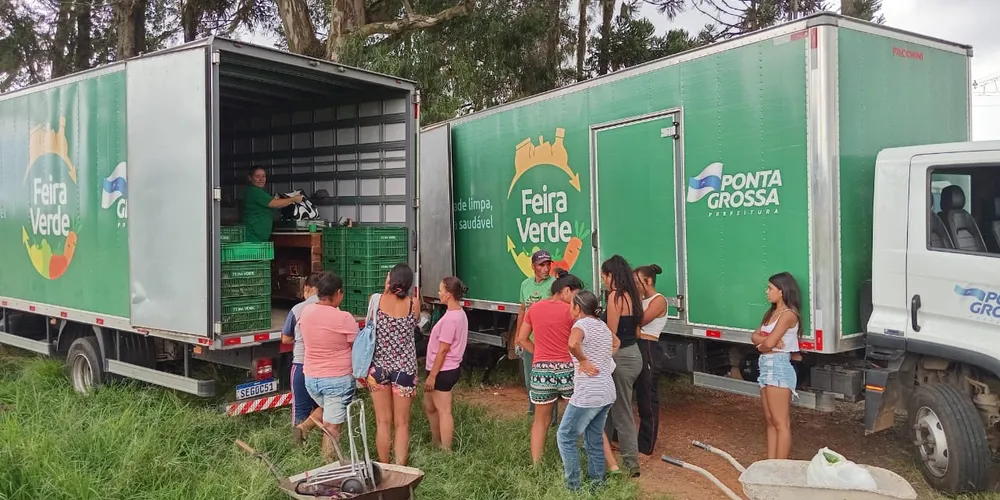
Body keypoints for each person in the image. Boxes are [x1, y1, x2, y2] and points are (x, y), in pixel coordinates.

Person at [515, 269, 584, 465]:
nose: (576, 300)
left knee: (540, 421)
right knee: (576, 418)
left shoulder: (535, 308)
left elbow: (521, 338)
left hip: (541, 371)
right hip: (567, 370)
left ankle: (536, 464)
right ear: (566, 291)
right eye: (575, 295)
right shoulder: (572, 312)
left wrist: (539, 354)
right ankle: (572, 461)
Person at [557, 290, 619, 491]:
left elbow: (572, 343)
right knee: (593, 439)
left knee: (565, 436)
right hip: (606, 390)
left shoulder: (581, 324)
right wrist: (601, 358)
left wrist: (584, 360)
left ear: (578, 308)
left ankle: (574, 487)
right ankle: (597, 485)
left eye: (571, 305)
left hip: (588, 393)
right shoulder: (602, 326)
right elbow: (617, 343)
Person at [363, 263, 421, 465]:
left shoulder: (375, 300)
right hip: (405, 370)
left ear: (391, 280)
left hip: (378, 368)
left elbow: (369, 323)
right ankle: (400, 468)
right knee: (402, 423)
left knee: (382, 422)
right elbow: (415, 324)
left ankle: (384, 466)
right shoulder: (414, 304)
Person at [298, 272, 359, 461]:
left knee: (329, 408)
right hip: (337, 379)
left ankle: (303, 428)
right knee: (332, 427)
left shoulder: (306, 312)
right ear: (338, 293)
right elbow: (356, 346)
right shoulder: (344, 318)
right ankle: (328, 466)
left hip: (311, 378)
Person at [599, 255, 644, 477]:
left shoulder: (615, 297)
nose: (602, 281)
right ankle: (599, 453)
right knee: (608, 408)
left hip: (620, 356)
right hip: (634, 353)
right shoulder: (633, 296)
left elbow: (611, 334)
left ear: (611, 275)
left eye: (603, 276)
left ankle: (631, 464)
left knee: (621, 411)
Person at [751, 271, 802, 460]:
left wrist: (764, 343)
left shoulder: (788, 315)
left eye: (770, 288)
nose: (767, 292)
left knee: (781, 422)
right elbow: (755, 337)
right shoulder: (771, 313)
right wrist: (765, 341)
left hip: (778, 367)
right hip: (766, 367)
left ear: (781, 291)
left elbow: (767, 345)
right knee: (770, 420)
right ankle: (771, 463)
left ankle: (781, 467)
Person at [423, 277, 470, 451]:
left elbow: (443, 350)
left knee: (444, 410)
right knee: (429, 405)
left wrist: (433, 376)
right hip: (443, 368)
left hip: (443, 370)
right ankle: (436, 442)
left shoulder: (451, 318)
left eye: (441, 290)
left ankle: (446, 449)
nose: (439, 293)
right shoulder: (459, 313)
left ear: (448, 295)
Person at [514, 250, 558, 424]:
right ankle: (533, 413)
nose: (546, 268)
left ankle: (551, 420)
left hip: (547, 342)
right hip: (529, 340)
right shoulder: (525, 284)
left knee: (548, 383)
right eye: (542, 265)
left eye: (548, 264)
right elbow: (523, 310)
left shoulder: (555, 285)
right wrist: (518, 336)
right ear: (533, 266)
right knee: (530, 380)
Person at [281, 272, 323, 447]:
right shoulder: (331, 308)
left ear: (307, 288)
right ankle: (325, 446)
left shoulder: (297, 309)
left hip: (301, 365)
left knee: (300, 410)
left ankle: (299, 449)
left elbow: (285, 338)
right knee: (329, 406)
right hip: (323, 366)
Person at [633, 264, 669, 456]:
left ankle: (646, 444)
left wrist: (636, 326)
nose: (634, 285)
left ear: (648, 281)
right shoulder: (640, 299)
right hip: (636, 345)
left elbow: (639, 321)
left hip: (649, 348)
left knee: (647, 397)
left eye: (637, 281)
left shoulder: (658, 300)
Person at [241, 166, 302, 242]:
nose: (261, 179)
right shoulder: (254, 191)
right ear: (250, 178)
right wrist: (294, 199)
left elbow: (272, 201)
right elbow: (274, 203)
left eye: (263, 176)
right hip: (253, 235)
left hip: (258, 235)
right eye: (257, 176)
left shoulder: (259, 192)